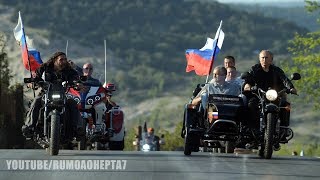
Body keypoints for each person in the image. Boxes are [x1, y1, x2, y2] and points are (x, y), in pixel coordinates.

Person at [242, 50, 297, 150]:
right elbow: (248, 79)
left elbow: (284, 79)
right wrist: (248, 86)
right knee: (251, 104)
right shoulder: (255, 69)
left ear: (271, 59)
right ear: (259, 59)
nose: (264, 60)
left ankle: (283, 131)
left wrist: (291, 88)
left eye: (267, 58)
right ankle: (251, 131)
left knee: (285, 105)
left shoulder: (276, 70)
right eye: (262, 58)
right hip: (259, 95)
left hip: (275, 96)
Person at [22, 51, 84, 139]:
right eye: (61, 59)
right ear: (55, 60)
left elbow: (75, 79)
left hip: (62, 94)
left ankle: (77, 128)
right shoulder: (44, 67)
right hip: (46, 93)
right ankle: (30, 126)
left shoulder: (69, 70)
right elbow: (36, 77)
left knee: (72, 103)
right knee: (37, 100)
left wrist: (77, 84)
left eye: (65, 59)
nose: (64, 61)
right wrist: (33, 83)